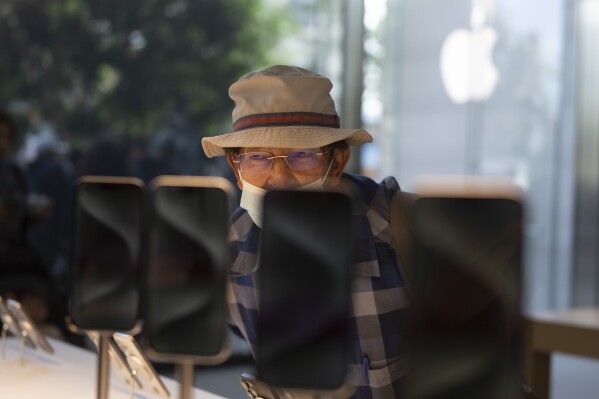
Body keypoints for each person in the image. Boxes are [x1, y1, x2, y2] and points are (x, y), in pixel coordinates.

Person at [202, 65, 408, 398]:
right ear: (236, 170)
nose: (279, 178)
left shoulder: (401, 232)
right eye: (257, 157)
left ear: (338, 161)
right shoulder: (227, 252)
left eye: (302, 155)